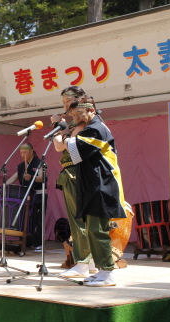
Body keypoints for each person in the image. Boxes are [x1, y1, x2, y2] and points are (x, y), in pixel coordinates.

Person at [53, 95, 126, 287]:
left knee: (97, 229)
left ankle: (108, 272)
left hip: (103, 185)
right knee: (93, 229)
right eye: (73, 114)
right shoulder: (92, 128)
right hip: (94, 184)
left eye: (80, 113)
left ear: (92, 110)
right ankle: (101, 271)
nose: (76, 118)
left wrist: (63, 134)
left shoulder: (96, 128)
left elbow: (74, 152)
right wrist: (67, 136)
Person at [52, 86, 97, 279]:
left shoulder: (81, 123)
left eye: (69, 101)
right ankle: (90, 262)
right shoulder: (72, 124)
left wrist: (59, 127)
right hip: (74, 173)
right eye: (63, 102)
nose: (66, 105)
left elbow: (60, 145)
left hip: (77, 173)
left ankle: (83, 263)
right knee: (82, 220)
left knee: (80, 220)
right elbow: (58, 146)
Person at [6, 143, 46, 253]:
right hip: (26, 196)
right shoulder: (21, 166)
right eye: (21, 153)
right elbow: (13, 178)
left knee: (39, 219)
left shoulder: (39, 163)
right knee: (28, 219)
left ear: (31, 151)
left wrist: (32, 177)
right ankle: (27, 241)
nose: (22, 155)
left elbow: (42, 178)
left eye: (25, 152)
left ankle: (39, 243)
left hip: (39, 194)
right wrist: (3, 186)